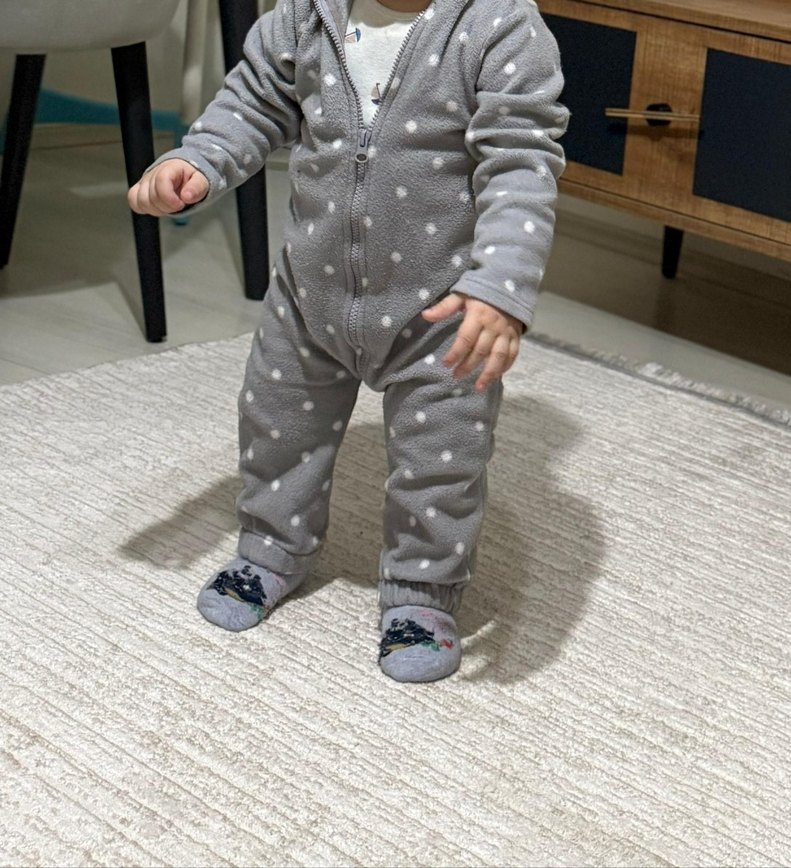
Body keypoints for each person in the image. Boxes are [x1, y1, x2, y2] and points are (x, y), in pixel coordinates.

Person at [128, 0, 568, 682]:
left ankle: (422, 589)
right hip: (311, 294)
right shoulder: (306, 14)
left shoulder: (499, 27)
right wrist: (201, 159)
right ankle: (272, 547)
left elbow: (520, 165)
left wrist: (498, 286)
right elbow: (254, 101)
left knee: (440, 460)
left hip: (440, 315)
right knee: (278, 427)